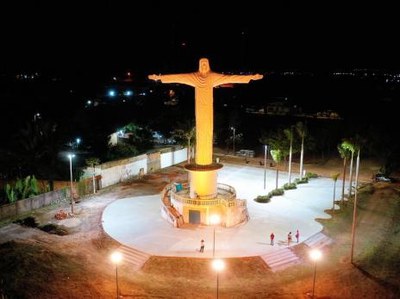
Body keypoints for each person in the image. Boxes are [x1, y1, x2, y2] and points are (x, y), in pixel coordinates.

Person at [148, 58, 263, 166]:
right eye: (201, 64)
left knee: (207, 131)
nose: (203, 66)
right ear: (199, 65)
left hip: (208, 110)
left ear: (208, 65)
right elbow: (178, 77)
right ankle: (202, 162)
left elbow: (231, 78)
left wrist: (251, 77)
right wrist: (159, 78)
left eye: (205, 64)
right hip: (199, 110)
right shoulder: (194, 77)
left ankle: (206, 161)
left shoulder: (213, 77)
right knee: (201, 131)